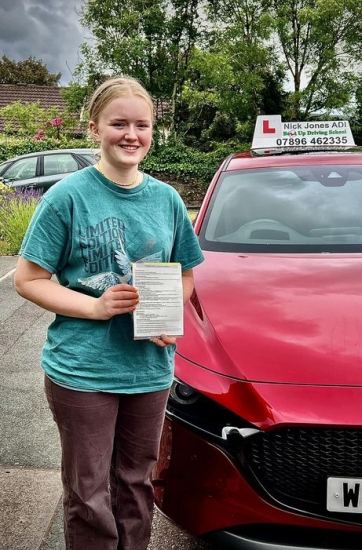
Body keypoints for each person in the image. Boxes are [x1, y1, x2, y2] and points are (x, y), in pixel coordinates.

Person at [14, 76, 204, 549]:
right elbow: (28, 279)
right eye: (119, 123)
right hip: (82, 372)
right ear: (95, 127)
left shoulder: (166, 199)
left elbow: (185, 274)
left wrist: (166, 316)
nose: (131, 134)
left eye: (142, 125)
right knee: (88, 494)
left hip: (149, 371)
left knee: (137, 485)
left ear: (153, 131)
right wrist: (96, 307)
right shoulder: (67, 197)